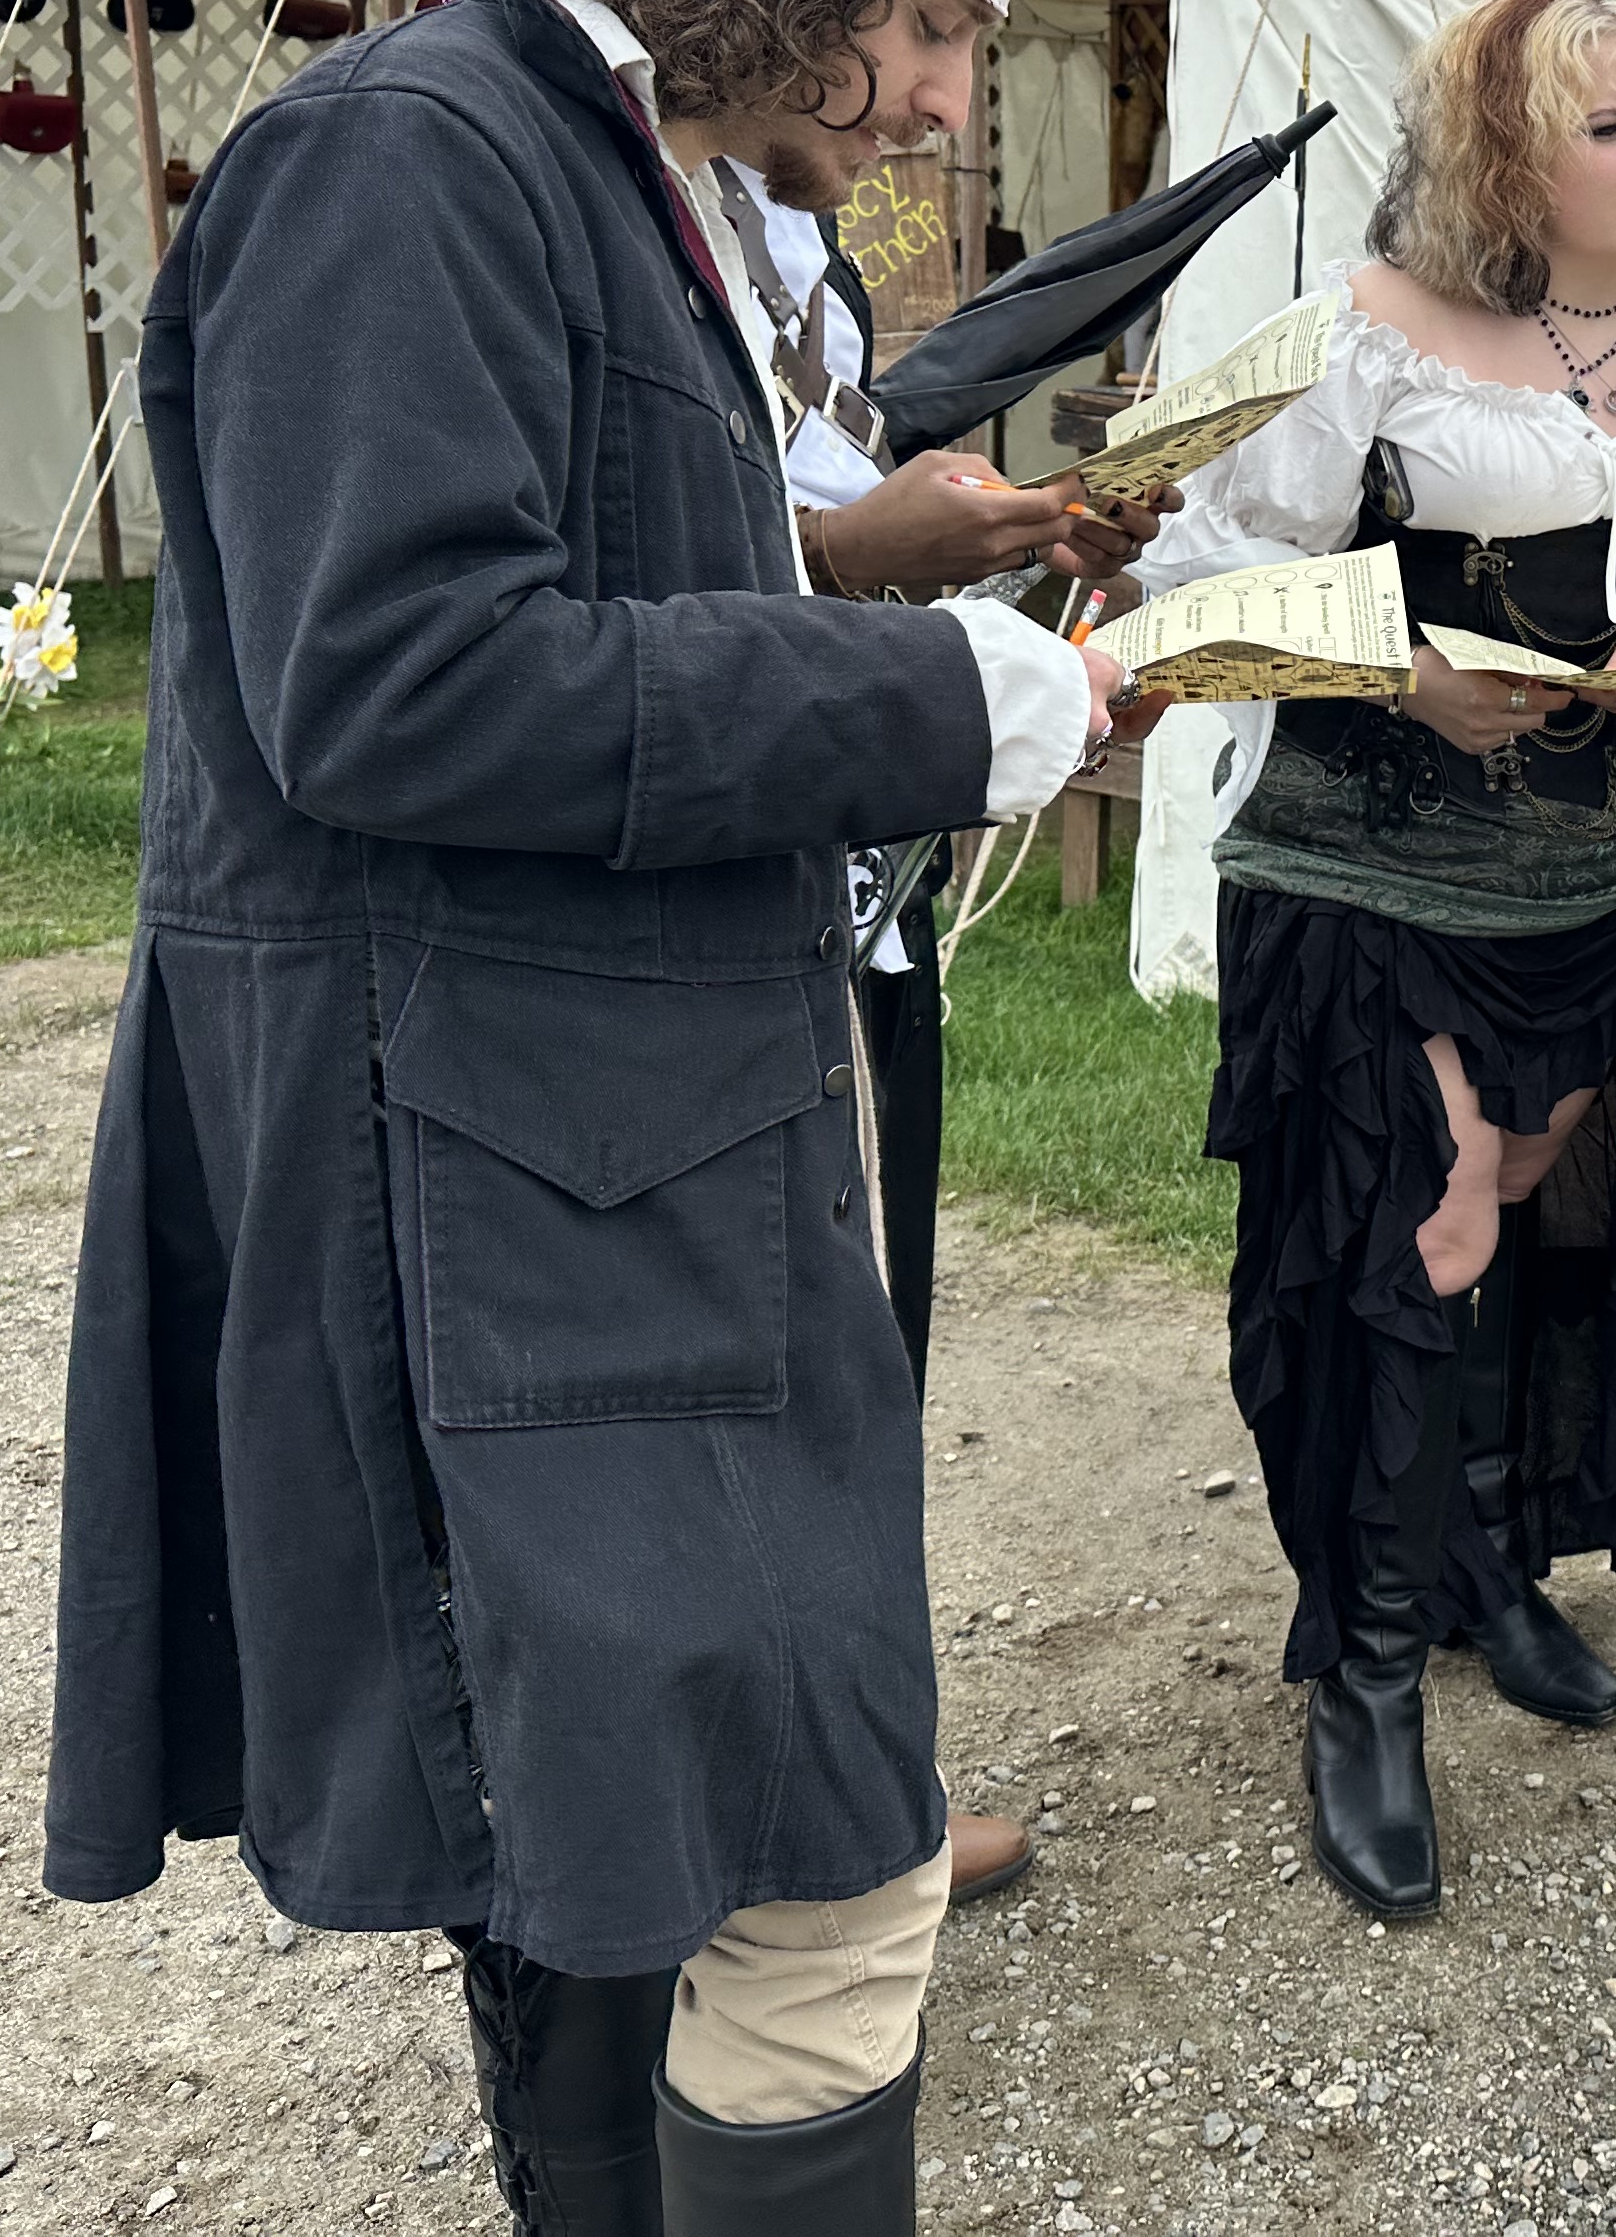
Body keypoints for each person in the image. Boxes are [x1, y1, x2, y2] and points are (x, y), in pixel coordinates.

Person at [44, 0, 1159, 2237]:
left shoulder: (594, 169)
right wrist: (912, 705)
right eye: (910, 11)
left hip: (625, 1150)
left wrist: (910, 644)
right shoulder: (406, 158)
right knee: (613, 1878)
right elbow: (399, 685)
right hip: (490, 1190)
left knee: (741, 1852)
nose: (925, 92)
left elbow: (612, 595)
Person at [1129, 0, 1616, 1919]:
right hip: (1380, 873)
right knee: (1411, 1250)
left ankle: (1493, 1564)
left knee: (1547, 1233)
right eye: (1611, 129)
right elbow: (1199, 571)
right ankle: (1365, 1665)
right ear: (1509, 152)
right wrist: (1401, 670)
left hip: (1603, 878)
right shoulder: (1370, 345)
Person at [710, 152, 1078, 1914]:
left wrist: (997, 538)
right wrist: (860, 549)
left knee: (875, 1337)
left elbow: (827, 505)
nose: (942, 92)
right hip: (704, 890)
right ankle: (736, 1817)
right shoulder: (599, 200)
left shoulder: (790, 243)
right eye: (919, 28)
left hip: (855, 866)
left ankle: (860, 1792)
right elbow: (607, 566)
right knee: (735, 1364)